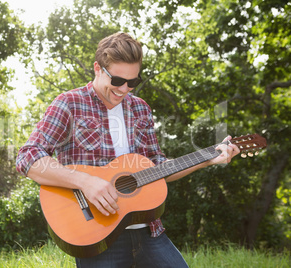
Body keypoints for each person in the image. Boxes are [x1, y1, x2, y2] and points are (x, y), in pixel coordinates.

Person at [16, 32, 240, 268]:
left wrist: (207, 159)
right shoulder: (69, 104)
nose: (124, 89)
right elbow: (28, 157)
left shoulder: (141, 109)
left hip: (150, 231)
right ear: (97, 68)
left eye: (132, 82)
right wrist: (85, 182)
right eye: (117, 81)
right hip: (97, 234)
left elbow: (158, 166)